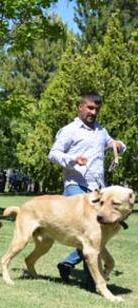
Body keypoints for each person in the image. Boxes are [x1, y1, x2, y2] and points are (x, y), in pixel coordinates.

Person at [49, 92, 126, 285]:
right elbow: (53, 153)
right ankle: (93, 282)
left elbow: (112, 144)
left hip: (98, 191)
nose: (93, 112)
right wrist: (72, 159)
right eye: (90, 108)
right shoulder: (69, 130)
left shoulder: (101, 131)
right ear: (81, 107)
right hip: (76, 187)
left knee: (93, 233)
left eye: (97, 109)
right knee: (92, 233)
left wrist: (118, 145)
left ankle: (68, 263)